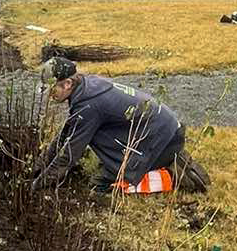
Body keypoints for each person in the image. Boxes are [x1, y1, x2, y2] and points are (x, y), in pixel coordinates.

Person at [35, 56, 198, 191]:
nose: (50, 95)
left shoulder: (89, 106)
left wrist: (37, 185)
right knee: (94, 137)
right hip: (165, 131)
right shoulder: (88, 86)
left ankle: (170, 176)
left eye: (52, 89)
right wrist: (38, 167)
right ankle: (157, 160)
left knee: (99, 185)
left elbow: (69, 153)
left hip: (164, 141)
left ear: (67, 84)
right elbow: (66, 133)